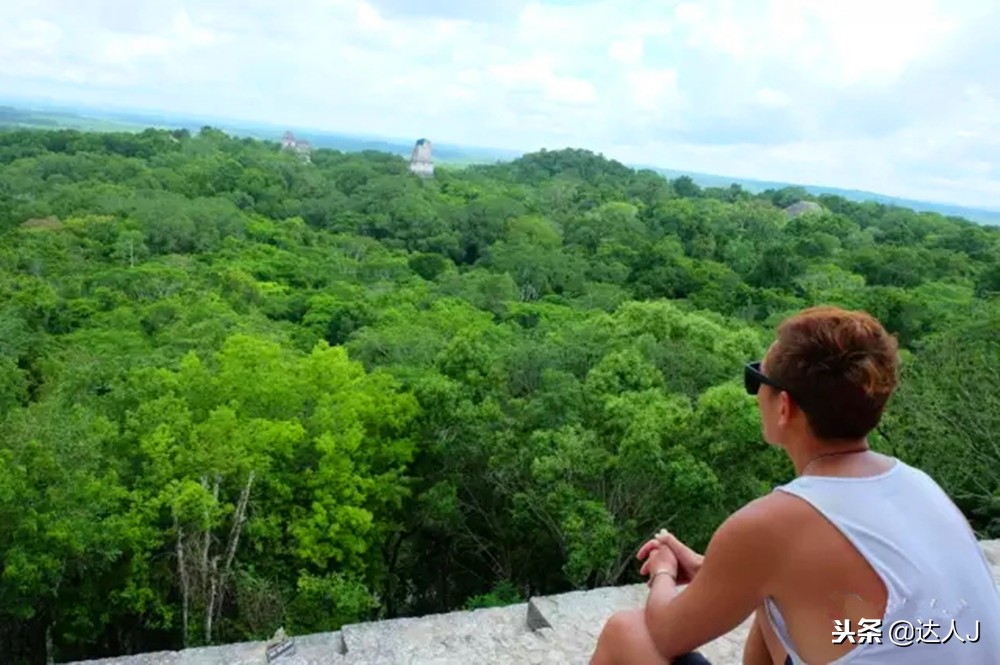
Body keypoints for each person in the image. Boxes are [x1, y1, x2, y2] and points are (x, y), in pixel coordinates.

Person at [590, 306, 1000, 664]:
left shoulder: (774, 524)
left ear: (784, 406)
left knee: (625, 632)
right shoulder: (920, 485)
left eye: (757, 379)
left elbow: (665, 632)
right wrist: (716, 571)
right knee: (772, 601)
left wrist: (663, 571)